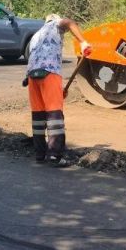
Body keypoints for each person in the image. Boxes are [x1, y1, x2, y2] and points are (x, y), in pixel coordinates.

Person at [25, 14, 91, 167]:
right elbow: (69, 22)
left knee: (38, 116)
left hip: (32, 75)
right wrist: (83, 42)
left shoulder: (36, 34)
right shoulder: (55, 24)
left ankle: (40, 154)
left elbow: (31, 56)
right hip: (50, 71)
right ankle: (55, 155)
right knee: (54, 114)